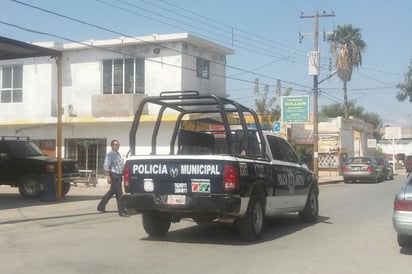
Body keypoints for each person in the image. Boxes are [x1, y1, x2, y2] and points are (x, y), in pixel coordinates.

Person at [97, 139, 129, 217]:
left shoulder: (117, 154)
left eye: (118, 144)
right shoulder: (110, 154)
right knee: (119, 194)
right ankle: (121, 211)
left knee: (111, 192)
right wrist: (108, 177)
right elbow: (106, 166)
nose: (117, 146)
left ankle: (100, 206)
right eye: (115, 144)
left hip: (119, 175)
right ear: (112, 145)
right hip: (114, 175)